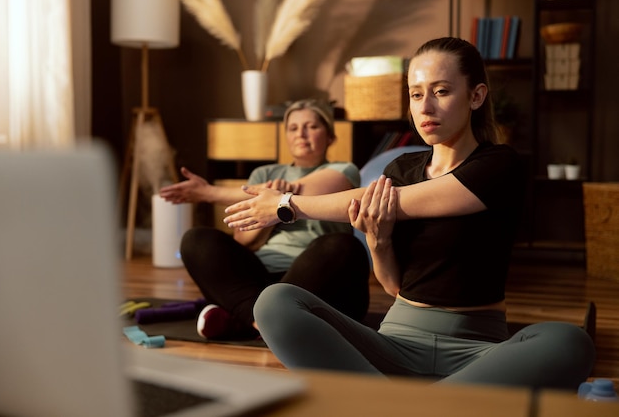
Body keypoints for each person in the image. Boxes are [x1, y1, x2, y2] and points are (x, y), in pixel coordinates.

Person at [222, 38, 595, 389]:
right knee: (275, 301)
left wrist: (287, 207)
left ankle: (394, 404)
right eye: (416, 94)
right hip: (396, 341)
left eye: (441, 91)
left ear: (476, 95)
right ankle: (430, 406)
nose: (425, 107)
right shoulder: (401, 169)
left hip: (479, 350)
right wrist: (379, 242)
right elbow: (393, 286)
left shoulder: (500, 165)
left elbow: (402, 201)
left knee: (568, 341)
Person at [159, 99, 370, 340]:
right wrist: (271, 215)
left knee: (342, 246)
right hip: (260, 278)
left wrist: (213, 193)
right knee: (195, 240)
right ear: (286, 137)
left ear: (330, 136)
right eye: (293, 128)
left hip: (317, 279)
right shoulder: (265, 174)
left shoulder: (344, 170)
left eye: (311, 127)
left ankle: (243, 320)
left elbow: (304, 189)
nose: (301, 134)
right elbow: (244, 240)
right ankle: (266, 322)